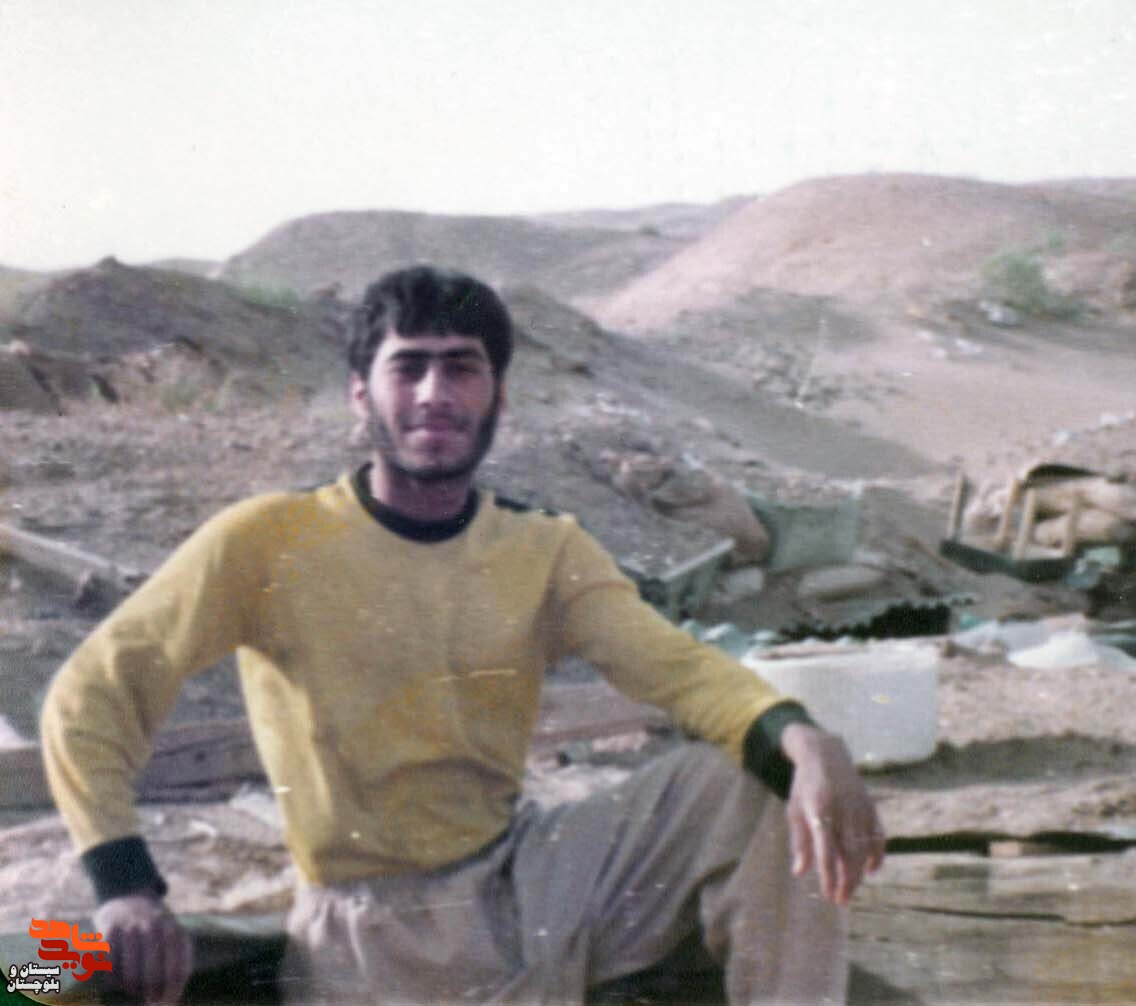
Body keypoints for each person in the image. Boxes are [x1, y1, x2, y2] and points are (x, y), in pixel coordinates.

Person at [41, 265, 886, 1005]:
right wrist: (123, 885)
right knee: (30, 972)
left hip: (530, 880)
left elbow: (679, 669)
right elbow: (92, 693)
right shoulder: (268, 541)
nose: (433, 394)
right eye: (407, 367)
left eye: (460, 368)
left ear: (498, 397)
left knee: (761, 779)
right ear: (360, 394)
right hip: (366, 925)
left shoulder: (543, 548)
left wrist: (803, 739)